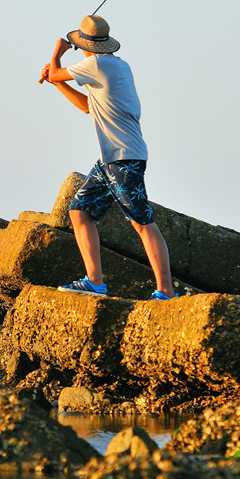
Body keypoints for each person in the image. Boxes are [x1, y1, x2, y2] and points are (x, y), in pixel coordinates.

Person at [39, 15, 177, 300]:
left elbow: (54, 71)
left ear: (84, 44)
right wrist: (57, 82)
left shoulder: (95, 64)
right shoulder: (115, 66)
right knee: (79, 211)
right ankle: (94, 283)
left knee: (142, 222)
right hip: (110, 159)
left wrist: (57, 53)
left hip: (124, 157)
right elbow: (87, 106)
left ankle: (166, 291)